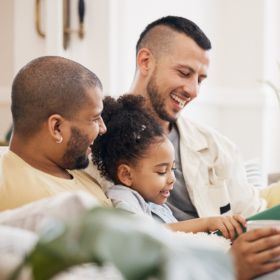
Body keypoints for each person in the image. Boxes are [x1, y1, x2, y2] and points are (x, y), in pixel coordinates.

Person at [125, 15, 280, 279]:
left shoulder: (217, 147)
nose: (193, 90)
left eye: (200, 79)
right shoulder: (99, 144)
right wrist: (227, 268)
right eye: (184, 73)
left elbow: (251, 216)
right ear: (145, 61)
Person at [92, 94, 246, 239]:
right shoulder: (123, 197)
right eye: (161, 171)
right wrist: (205, 224)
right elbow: (143, 236)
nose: (172, 179)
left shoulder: (155, 204)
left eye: (172, 169)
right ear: (126, 175)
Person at [0, 56, 111, 211]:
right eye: (94, 118)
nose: (103, 128)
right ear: (57, 127)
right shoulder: (43, 206)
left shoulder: (66, 167)